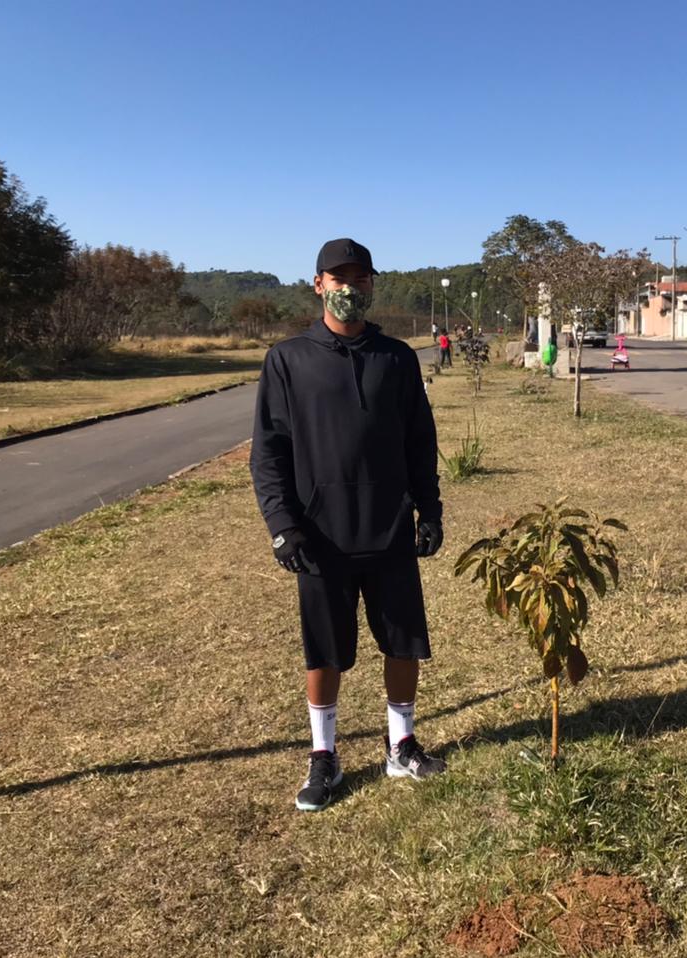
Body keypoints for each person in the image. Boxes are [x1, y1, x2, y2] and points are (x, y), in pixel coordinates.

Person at [251, 237, 447, 812]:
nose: (349, 288)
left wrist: (429, 510)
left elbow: (420, 441)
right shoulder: (288, 360)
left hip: (390, 529)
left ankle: (401, 745)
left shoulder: (397, 358)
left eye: (360, 279)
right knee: (325, 651)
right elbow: (269, 452)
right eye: (338, 279)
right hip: (321, 537)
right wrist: (283, 526)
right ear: (318, 286)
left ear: (372, 286)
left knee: (403, 641)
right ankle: (324, 755)